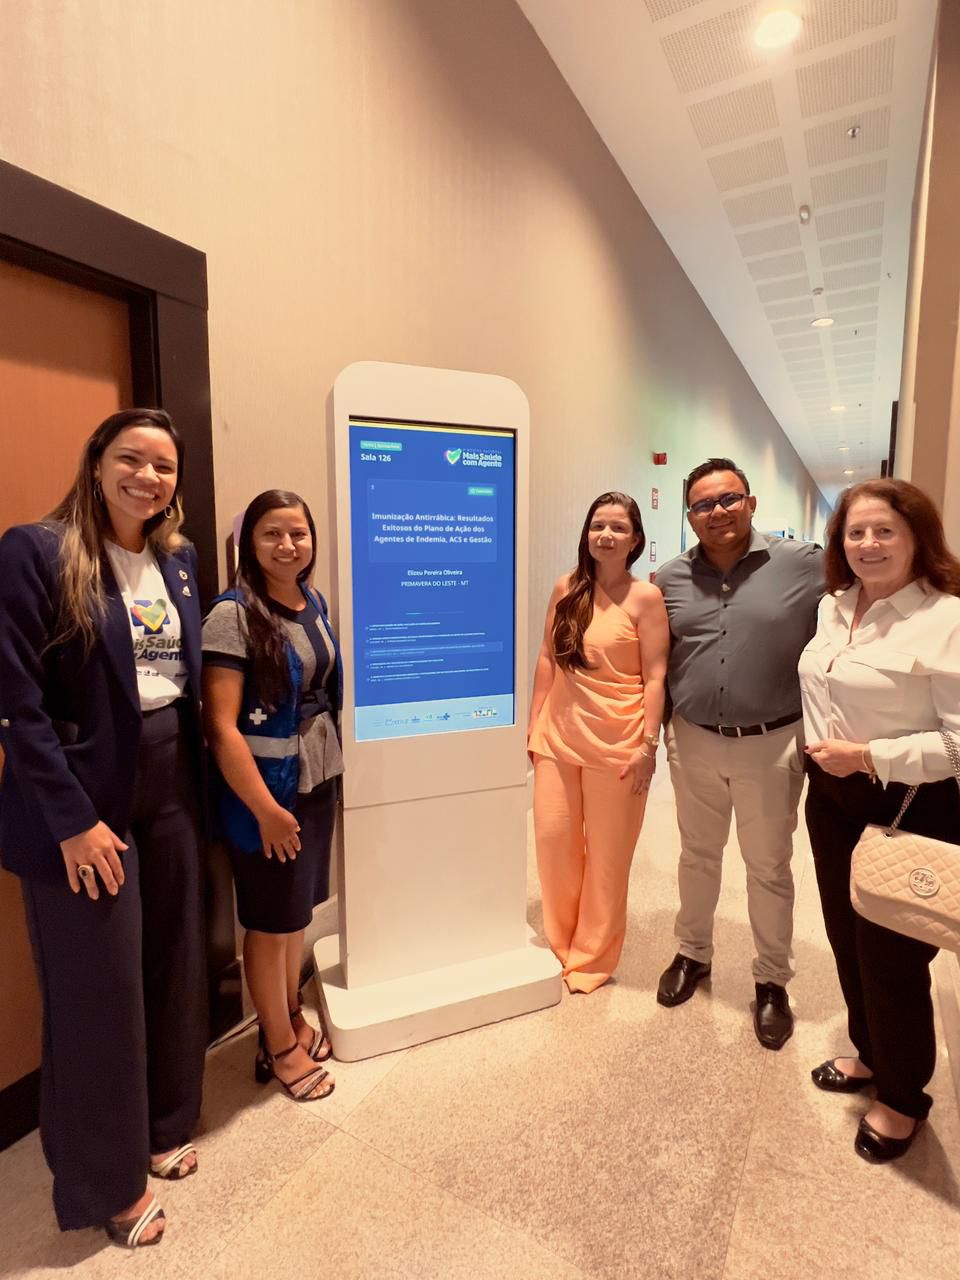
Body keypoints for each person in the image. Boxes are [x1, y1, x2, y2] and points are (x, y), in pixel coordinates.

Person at [0, 408, 207, 1248]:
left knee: (170, 965)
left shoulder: (178, 561)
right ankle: (108, 1184)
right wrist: (73, 822)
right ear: (96, 463)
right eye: (131, 459)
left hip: (170, 787)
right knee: (98, 995)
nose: (148, 477)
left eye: (164, 466)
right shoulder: (36, 551)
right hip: (82, 807)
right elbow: (17, 705)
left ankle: (163, 1125)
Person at [799, 478, 960, 1162]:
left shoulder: (946, 618)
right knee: (845, 934)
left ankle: (902, 1095)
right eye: (855, 532)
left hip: (907, 802)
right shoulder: (833, 607)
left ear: (918, 537)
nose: (868, 544)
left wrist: (869, 755)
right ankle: (869, 1051)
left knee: (891, 954)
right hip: (831, 798)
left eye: (884, 530)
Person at [654, 458, 823, 1048]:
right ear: (690, 515)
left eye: (728, 499)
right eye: (703, 504)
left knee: (768, 866)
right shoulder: (668, 579)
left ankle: (772, 981)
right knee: (697, 855)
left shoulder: (805, 565)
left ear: (750, 502)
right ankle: (693, 953)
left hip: (772, 744)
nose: (718, 512)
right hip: (693, 739)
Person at [203, 490, 342, 1101]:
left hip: (313, 779)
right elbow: (220, 726)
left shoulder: (313, 601)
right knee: (267, 921)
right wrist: (265, 810)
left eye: (298, 534)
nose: (288, 545)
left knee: (294, 916)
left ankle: (285, 1016)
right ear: (248, 543)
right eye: (272, 534)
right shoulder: (232, 615)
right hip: (265, 795)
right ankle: (280, 1046)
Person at [527, 491, 669, 993]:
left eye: (617, 528)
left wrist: (649, 747)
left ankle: (592, 958)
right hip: (558, 737)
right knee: (554, 846)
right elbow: (548, 657)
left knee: (608, 859)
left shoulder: (645, 598)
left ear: (635, 539)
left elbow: (656, 675)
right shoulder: (566, 586)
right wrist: (533, 724)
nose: (605, 535)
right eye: (597, 526)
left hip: (620, 743)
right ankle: (561, 945)